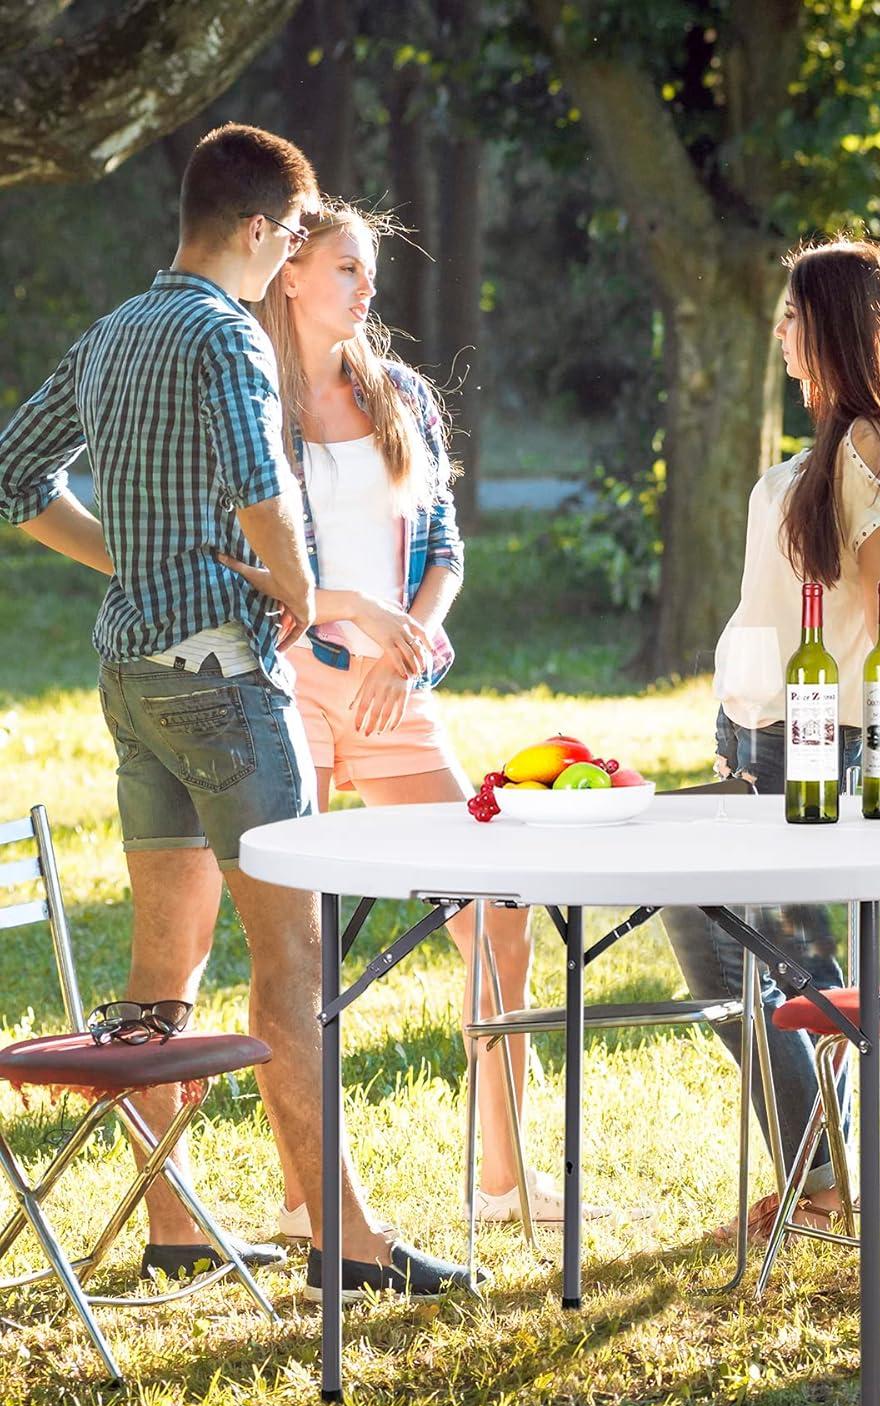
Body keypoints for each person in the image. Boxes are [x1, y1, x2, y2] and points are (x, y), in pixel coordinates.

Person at [0, 124, 471, 1300]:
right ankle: (347, 1244)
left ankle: (175, 1227)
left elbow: (13, 476)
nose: (285, 269)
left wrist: (131, 563)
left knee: (166, 970)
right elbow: (265, 501)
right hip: (224, 679)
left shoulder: (113, 333)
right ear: (259, 231)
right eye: (287, 243)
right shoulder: (228, 340)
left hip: (132, 681)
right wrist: (308, 599)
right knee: (295, 957)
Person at [227, 200, 576, 1227]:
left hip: (397, 694)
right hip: (289, 681)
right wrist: (340, 630)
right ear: (290, 273)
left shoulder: (403, 396)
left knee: (498, 914)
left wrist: (411, 641)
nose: (364, 287)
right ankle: (306, 1198)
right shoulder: (252, 397)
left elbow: (448, 551)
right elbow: (246, 563)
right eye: (345, 267)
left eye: (367, 271)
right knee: (298, 946)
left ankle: (505, 1180)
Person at [662, 238, 880, 1240]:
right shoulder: (828, 449)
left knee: (782, 971)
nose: (783, 336)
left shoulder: (873, 446)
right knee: (720, 939)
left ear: (836, 325)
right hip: (759, 735)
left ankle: (823, 1184)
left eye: (796, 317)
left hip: (822, 739)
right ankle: (819, 1173)